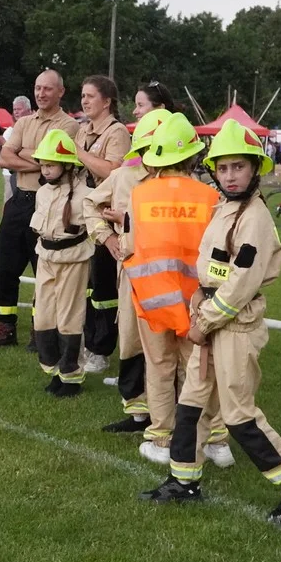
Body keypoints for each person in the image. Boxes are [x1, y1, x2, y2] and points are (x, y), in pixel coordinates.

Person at [141, 119, 281, 530]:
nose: (229, 175)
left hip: (233, 327)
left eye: (238, 167)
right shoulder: (224, 208)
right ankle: (183, 480)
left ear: (254, 169)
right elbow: (211, 270)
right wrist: (198, 307)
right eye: (222, 168)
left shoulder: (255, 219)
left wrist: (203, 322)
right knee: (190, 404)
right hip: (210, 320)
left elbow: (240, 284)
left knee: (239, 414)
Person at [116, 113, 217, 466]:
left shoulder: (139, 195)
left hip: (152, 297)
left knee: (158, 366)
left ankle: (161, 438)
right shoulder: (210, 197)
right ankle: (214, 439)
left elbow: (127, 245)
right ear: (192, 156)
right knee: (199, 369)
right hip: (198, 301)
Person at [84, 107, 171, 433]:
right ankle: (138, 414)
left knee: (167, 350)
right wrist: (106, 238)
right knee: (132, 342)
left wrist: (128, 222)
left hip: (172, 280)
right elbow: (90, 204)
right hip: (132, 275)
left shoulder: (181, 184)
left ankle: (170, 416)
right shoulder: (123, 176)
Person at [0, 70, 80, 348]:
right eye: (37, 88)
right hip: (21, 199)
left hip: (49, 202)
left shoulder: (68, 126)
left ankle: (42, 330)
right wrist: (42, 161)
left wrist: (24, 154)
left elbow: (58, 165)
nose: (41, 93)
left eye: (47, 89)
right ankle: (5, 327)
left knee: (44, 269)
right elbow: (5, 159)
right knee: (5, 264)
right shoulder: (24, 122)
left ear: (61, 91)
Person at [29, 129, 93, 398]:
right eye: (43, 164)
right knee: (43, 316)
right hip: (46, 257)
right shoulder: (42, 193)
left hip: (73, 260)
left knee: (69, 318)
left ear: (68, 165)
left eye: (51, 164)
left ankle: (71, 377)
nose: (45, 169)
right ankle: (53, 369)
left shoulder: (86, 195)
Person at [76, 75, 132, 374]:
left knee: (104, 287)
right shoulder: (84, 130)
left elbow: (113, 171)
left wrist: (80, 153)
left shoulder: (117, 132)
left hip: (105, 212)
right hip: (83, 212)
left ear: (107, 101)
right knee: (87, 286)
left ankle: (102, 348)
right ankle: (89, 340)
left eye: (90, 96)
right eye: (82, 96)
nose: (84, 101)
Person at [1, 96, 34, 204]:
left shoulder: (35, 128)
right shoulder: (10, 131)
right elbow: (3, 158)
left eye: (19, 109)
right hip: (11, 174)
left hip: (30, 177)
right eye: (14, 109)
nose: (15, 112)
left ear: (29, 110)